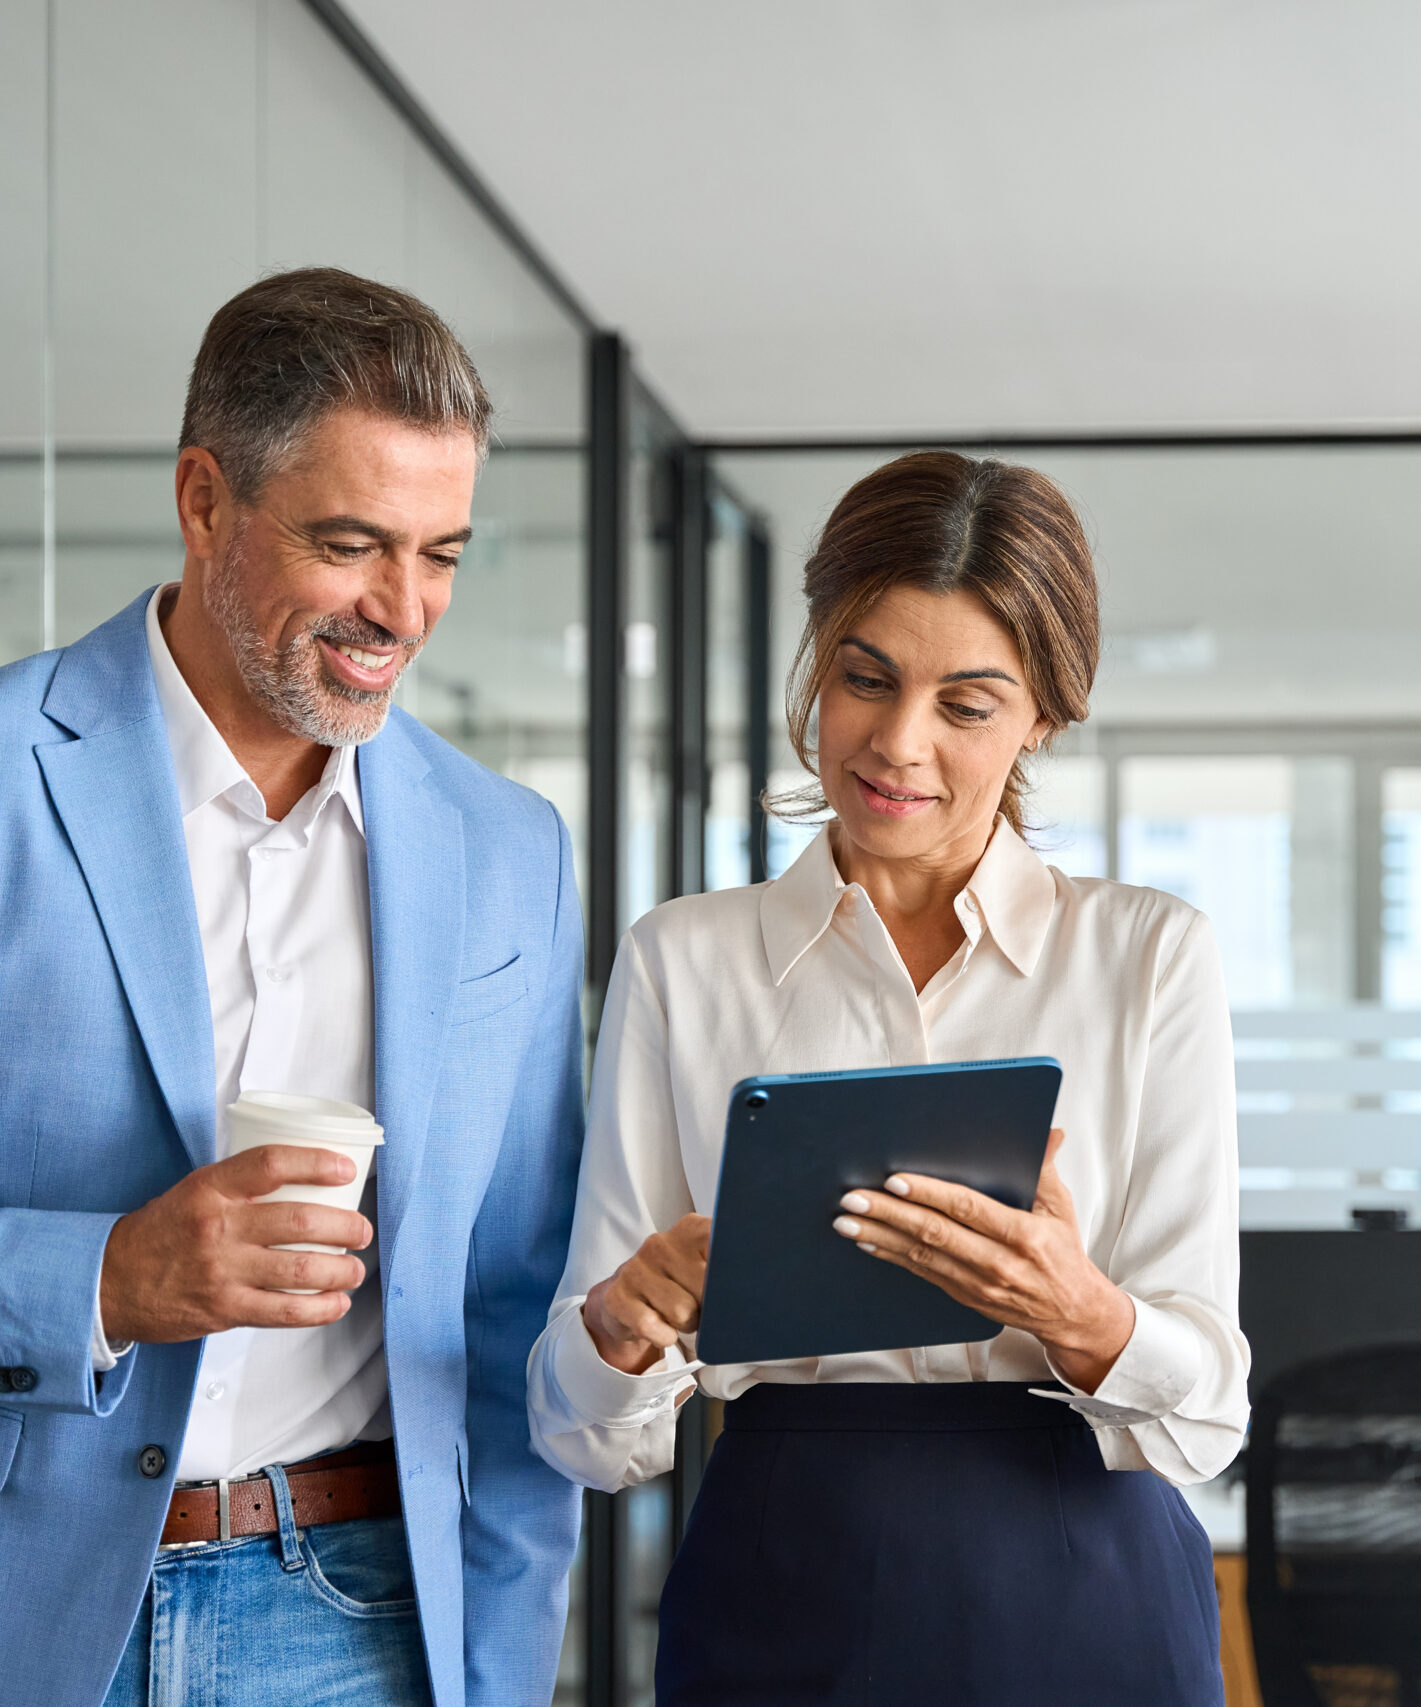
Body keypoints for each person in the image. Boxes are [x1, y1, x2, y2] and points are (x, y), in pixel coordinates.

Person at [0, 269, 585, 1707]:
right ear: (206, 501)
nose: (403, 609)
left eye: (443, 552)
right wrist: (103, 1280)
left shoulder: (509, 850)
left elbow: (511, 1311)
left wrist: (507, 1667)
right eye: (350, 544)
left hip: (354, 1619)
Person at [527, 450, 1248, 1704]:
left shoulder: (1148, 959)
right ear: (817, 661)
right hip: (780, 1582)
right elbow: (586, 1440)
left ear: (1045, 715)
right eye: (865, 679)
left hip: (1087, 1585)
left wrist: (1082, 1313)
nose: (897, 744)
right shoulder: (684, 961)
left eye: (966, 704)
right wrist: (621, 1324)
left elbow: (1208, 1419)